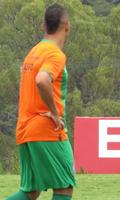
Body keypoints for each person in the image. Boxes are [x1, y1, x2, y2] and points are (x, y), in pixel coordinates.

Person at [6, 4, 75, 200]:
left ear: (43, 25)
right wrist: (54, 112)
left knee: (30, 192)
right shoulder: (55, 54)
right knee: (64, 187)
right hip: (47, 128)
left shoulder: (33, 52)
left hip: (25, 129)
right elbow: (42, 80)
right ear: (66, 26)